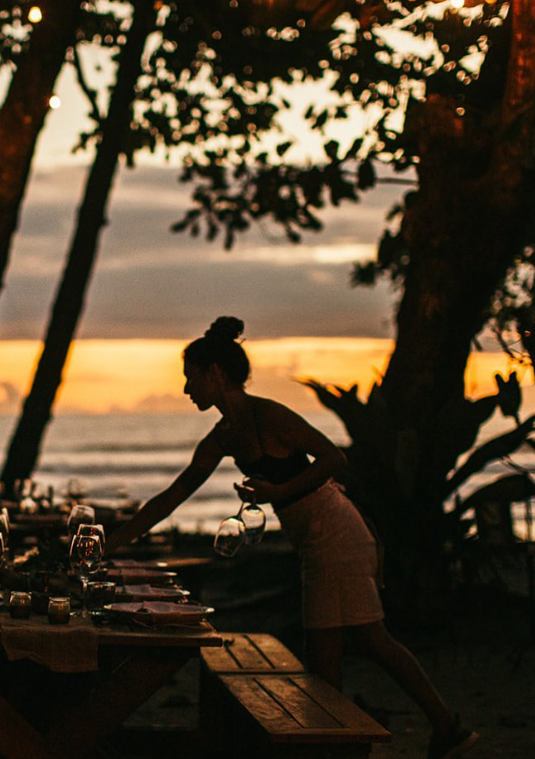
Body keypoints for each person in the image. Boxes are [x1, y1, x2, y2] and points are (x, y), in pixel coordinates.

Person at [105, 316, 478, 759]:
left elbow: (332, 457)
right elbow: (174, 495)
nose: (187, 390)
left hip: (336, 529)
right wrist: (113, 542)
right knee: (334, 652)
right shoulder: (223, 436)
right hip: (314, 539)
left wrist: (277, 492)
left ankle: (436, 729)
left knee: (361, 643)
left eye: (191, 379)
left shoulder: (269, 415)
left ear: (215, 374)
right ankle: (386, 737)